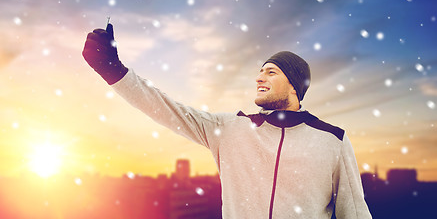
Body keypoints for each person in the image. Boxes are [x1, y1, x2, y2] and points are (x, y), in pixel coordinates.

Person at [82, 23, 372, 219]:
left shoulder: (331, 140)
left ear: (295, 85)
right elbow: (166, 108)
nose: (259, 77)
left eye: (271, 72)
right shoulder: (230, 130)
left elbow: (355, 213)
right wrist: (113, 70)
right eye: (260, 71)